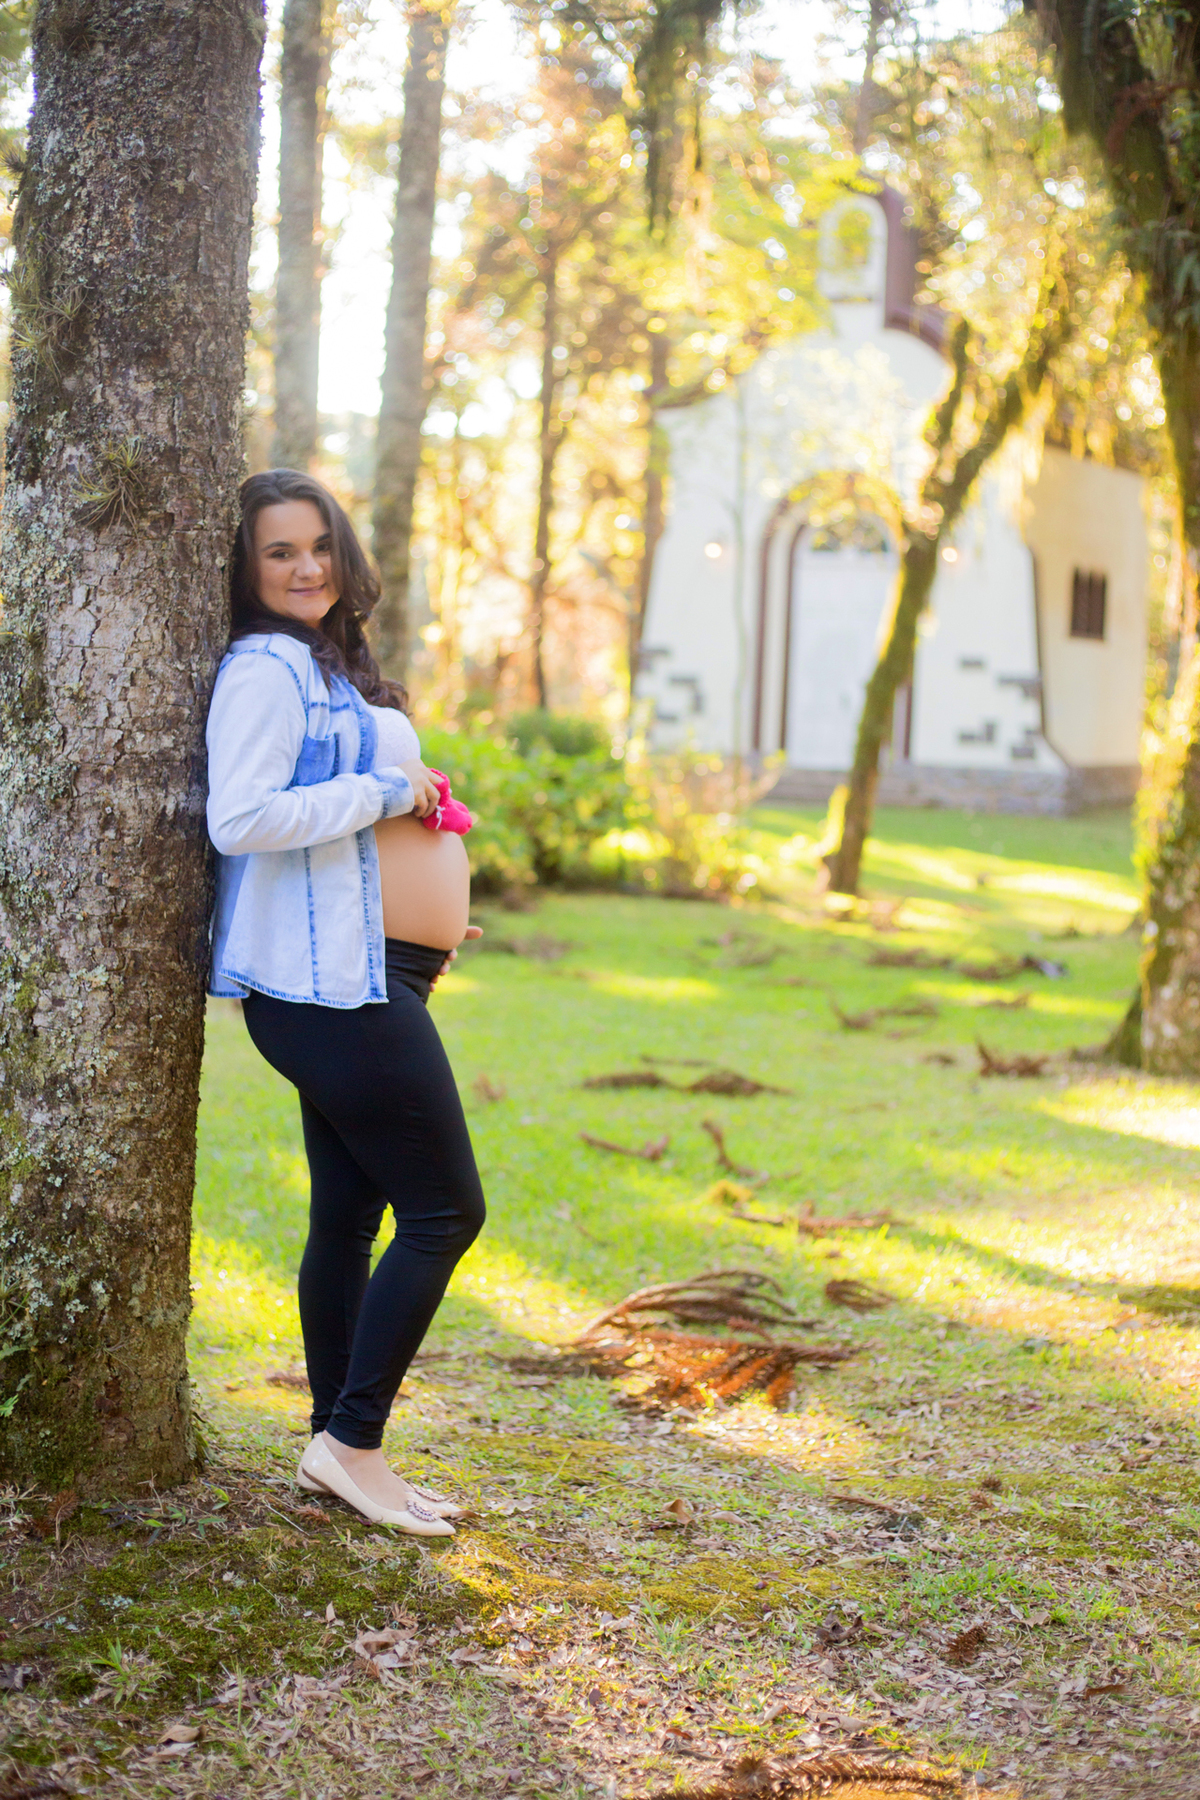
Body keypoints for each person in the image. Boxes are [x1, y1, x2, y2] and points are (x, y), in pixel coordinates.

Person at [206, 469, 485, 1538]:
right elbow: (243, 816)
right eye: (279, 551)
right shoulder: (266, 667)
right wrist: (386, 791)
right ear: (246, 566)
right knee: (446, 1210)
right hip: (331, 991)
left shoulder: (323, 660)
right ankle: (353, 1440)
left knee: (352, 1215)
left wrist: (433, 912)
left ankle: (338, 1446)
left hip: (364, 971)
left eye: (318, 543)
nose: (306, 565)